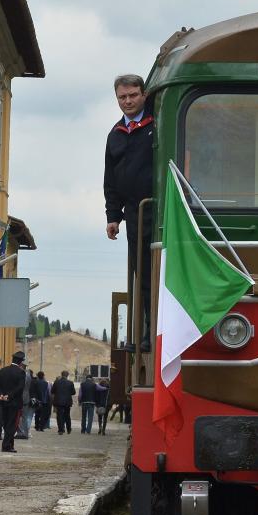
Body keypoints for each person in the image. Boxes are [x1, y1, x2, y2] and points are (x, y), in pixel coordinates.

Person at [104, 73, 154, 352]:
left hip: (155, 207)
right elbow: (109, 179)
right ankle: (143, 331)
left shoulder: (156, 124)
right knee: (141, 273)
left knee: (154, 272)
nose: (128, 101)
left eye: (133, 95)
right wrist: (113, 216)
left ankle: (152, 330)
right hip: (133, 213)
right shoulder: (115, 134)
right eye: (122, 97)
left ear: (143, 95)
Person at [0, 351, 26, 452]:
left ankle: (10, 445)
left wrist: (1, 395)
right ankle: (6, 445)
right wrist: (9, 395)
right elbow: (20, 388)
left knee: (6, 423)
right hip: (14, 402)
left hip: (3, 401)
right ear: (21, 362)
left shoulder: (3, 370)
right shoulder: (21, 372)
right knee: (12, 424)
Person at [52, 370, 75, 435]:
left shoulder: (56, 382)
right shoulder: (70, 383)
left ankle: (61, 430)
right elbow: (73, 392)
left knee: (59, 416)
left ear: (61, 374)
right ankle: (69, 429)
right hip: (67, 402)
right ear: (67, 375)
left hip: (58, 401)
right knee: (67, 415)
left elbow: (52, 391)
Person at [17, 364, 34, 439]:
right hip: (26, 397)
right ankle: (25, 432)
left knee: (21, 416)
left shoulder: (23, 375)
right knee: (24, 416)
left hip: (22, 397)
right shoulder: (28, 375)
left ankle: (21, 433)